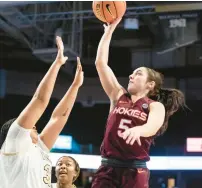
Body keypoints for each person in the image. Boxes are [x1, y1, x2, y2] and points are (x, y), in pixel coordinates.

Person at [92, 18, 186, 188]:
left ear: (150, 85)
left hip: (135, 170)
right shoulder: (118, 95)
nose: (131, 76)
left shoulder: (154, 106)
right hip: (108, 167)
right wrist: (108, 32)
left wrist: (139, 130)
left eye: (138, 74)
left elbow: (152, 126)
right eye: (132, 74)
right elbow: (100, 64)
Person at [0, 36, 84, 188]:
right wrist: (57, 64)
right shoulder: (14, 142)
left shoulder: (38, 148)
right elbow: (39, 100)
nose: (35, 126)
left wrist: (75, 86)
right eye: (31, 126)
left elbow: (58, 118)